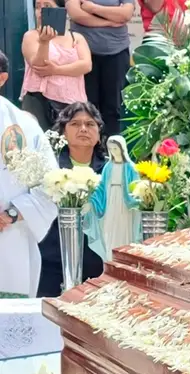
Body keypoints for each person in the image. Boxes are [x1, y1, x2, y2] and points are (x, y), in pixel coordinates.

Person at [0, 56, 60, 299]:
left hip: (8, 240)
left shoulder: (22, 126)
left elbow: (50, 185)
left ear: (2, 79)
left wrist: (10, 215)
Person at [37, 102, 106, 297]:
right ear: (63, 132)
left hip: (97, 263)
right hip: (52, 261)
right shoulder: (49, 168)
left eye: (90, 124)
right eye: (75, 124)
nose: (83, 129)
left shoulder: (110, 171)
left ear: (99, 132)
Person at [66, 0, 135, 135]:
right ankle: (90, 151)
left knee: (114, 108)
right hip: (83, 54)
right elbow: (76, 14)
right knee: (84, 108)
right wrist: (109, 21)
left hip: (117, 52)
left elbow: (125, 14)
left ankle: (111, 150)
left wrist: (92, 8)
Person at [20, 0, 92, 131]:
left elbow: (86, 65)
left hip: (72, 102)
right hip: (39, 100)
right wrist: (44, 42)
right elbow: (39, 66)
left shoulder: (76, 37)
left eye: (47, 6)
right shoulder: (31, 36)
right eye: (38, 7)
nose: (41, 11)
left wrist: (55, 69)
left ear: (61, 10)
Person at [85, 134, 140, 260]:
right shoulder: (108, 167)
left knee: (124, 231)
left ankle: (125, 260)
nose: (113, 152)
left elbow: (136, 187)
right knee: (109, 231)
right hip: (110, 202)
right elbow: (102, 187)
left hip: (125, 204)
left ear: (122, 149)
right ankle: (110, 260)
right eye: (111, 149)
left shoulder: (130, 167)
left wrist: (136, 199)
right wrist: (92, 201)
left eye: (116, 148)